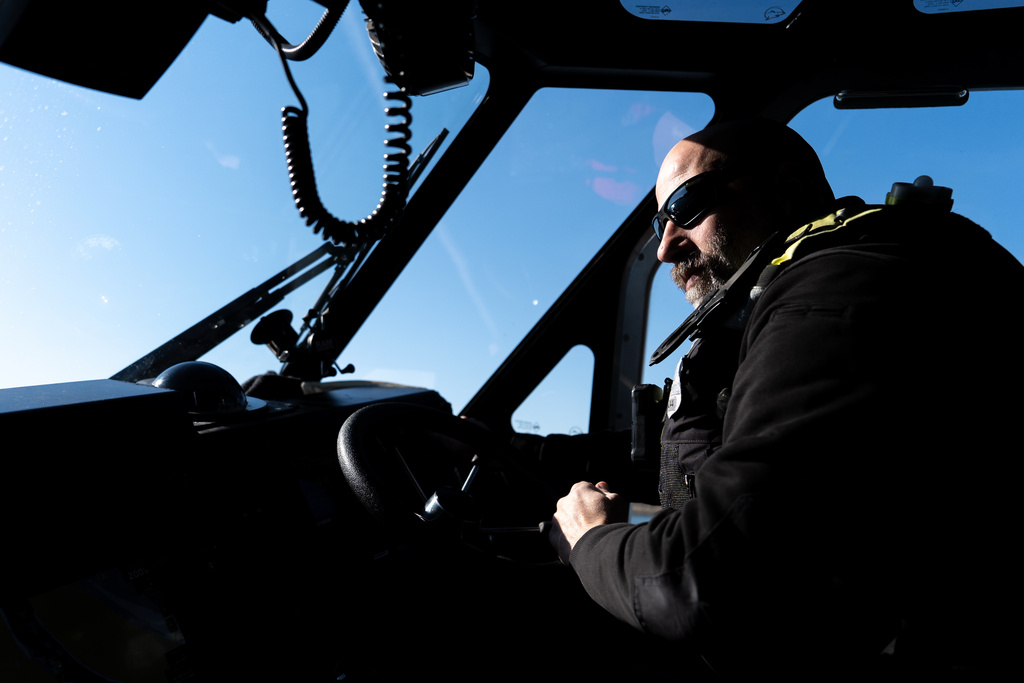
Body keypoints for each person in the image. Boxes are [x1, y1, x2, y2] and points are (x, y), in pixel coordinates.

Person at [548, 118, 1024, 679]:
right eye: (661, 222)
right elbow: (719, 451)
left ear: (789, 189)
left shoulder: (838, 298)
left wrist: (591, 540)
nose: (666, 246)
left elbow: (702, 584)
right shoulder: (813, 294)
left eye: (687, 205)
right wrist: (525, 458)